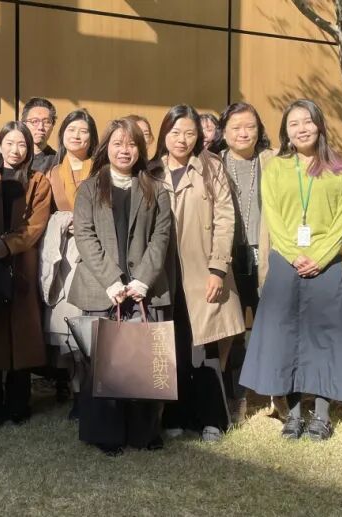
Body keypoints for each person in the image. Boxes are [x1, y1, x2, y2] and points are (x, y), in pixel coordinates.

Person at [239, 99, 342, 442]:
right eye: (293, 124)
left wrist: (321, 256)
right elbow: (273, 216)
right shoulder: (276, 168)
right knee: (287, 337)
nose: (301, 129)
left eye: (307, 121)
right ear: (285, 131)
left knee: (325, 337)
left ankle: (321, 415)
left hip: (327, 264)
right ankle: (293, 414)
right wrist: (293, 253)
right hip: (286, 261)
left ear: (319, 125)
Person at [69, 118, 172, 456]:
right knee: (103, 363)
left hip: (145, 288)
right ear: (106, 148)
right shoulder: (89, 189)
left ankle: (145, 432)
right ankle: (106, 434)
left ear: (140, 149)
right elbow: (85, 236)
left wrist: (142, 279)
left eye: (131, 144)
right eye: (117, 143)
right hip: (101, 288)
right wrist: (111, 280)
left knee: (144, 360)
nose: (124, 150)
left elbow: (161, 236)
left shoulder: (155, 189)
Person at [151, 105, 245, 441]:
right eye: (175, 132)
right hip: (163, 272)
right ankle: (176, 415)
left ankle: (213, 419)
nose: (182, 139)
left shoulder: (211, 167)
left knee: (205, 347)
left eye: (190, 133)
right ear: (164, 133)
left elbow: (225, 220)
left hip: (202, 268)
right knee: (171, 345)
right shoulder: (151, 170)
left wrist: (218, 268)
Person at [0, 121, 53, 426]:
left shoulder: (39, 181)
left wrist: (7, 245)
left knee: (22, 334)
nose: (16, 150)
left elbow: (36, 225)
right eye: (10, 143)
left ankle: (19, 403)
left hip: (22, 264)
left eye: (22, 144)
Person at [216, 101, 277, 424]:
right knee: (231, 329)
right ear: (223, 132)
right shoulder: (213, 164)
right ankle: (232, 396)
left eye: (250, 126)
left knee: (270, 325)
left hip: (266, 254)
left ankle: (276, 395)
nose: (243, 133)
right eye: (236, 127)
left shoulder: (273, 160)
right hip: (227, 257)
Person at [41, 108, 99, 414]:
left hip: (94, 256)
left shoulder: (101, 170)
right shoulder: (52, 172)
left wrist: (86, 223)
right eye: (71, 129)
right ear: (62, 134)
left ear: (92, 138)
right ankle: (77, 394)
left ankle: (94, 391)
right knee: (67, 331)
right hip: (63, 257)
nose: (77, 135)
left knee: (92, 329)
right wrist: (62, 221)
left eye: (83, 131)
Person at [22, 97, 59, 172]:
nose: (40, 127)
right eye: (34, 121)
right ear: (24, 125)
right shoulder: (13, 157)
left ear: (52, 126)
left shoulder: (58, 162)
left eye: (46, 122)